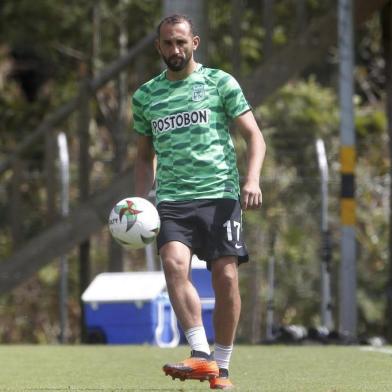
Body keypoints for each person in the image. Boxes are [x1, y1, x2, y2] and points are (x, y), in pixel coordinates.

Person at [132, 14, 266, 390]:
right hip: (172, 199)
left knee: (225, 276)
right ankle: (201, 354)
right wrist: (141, 200)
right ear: (158, 47)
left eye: (181, 42)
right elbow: (144, 156)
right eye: (167, 43)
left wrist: (252, 179)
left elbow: (255, 136)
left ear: (195, 42)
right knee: (174, 266)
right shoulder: (145, 96)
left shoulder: (219, 83)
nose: (174, 49)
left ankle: (221, 367)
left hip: (220, 195)